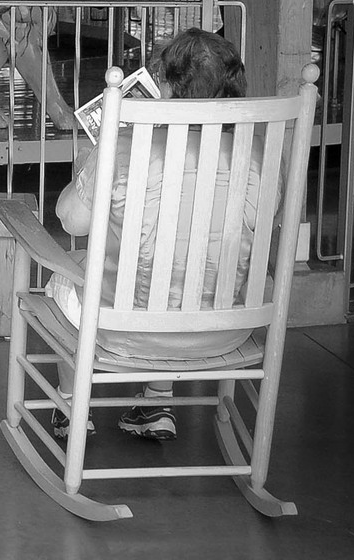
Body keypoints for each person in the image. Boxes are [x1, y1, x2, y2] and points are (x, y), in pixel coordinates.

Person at [48, 28, 259, 442]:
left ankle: (72, 406)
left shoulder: (124, 146)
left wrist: (90, 160)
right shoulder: (260, 153)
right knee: (191, 267)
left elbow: (72, 221)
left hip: (122, 328)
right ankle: (156, 401)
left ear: (165, 85)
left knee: (65, 278)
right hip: (228, 327)